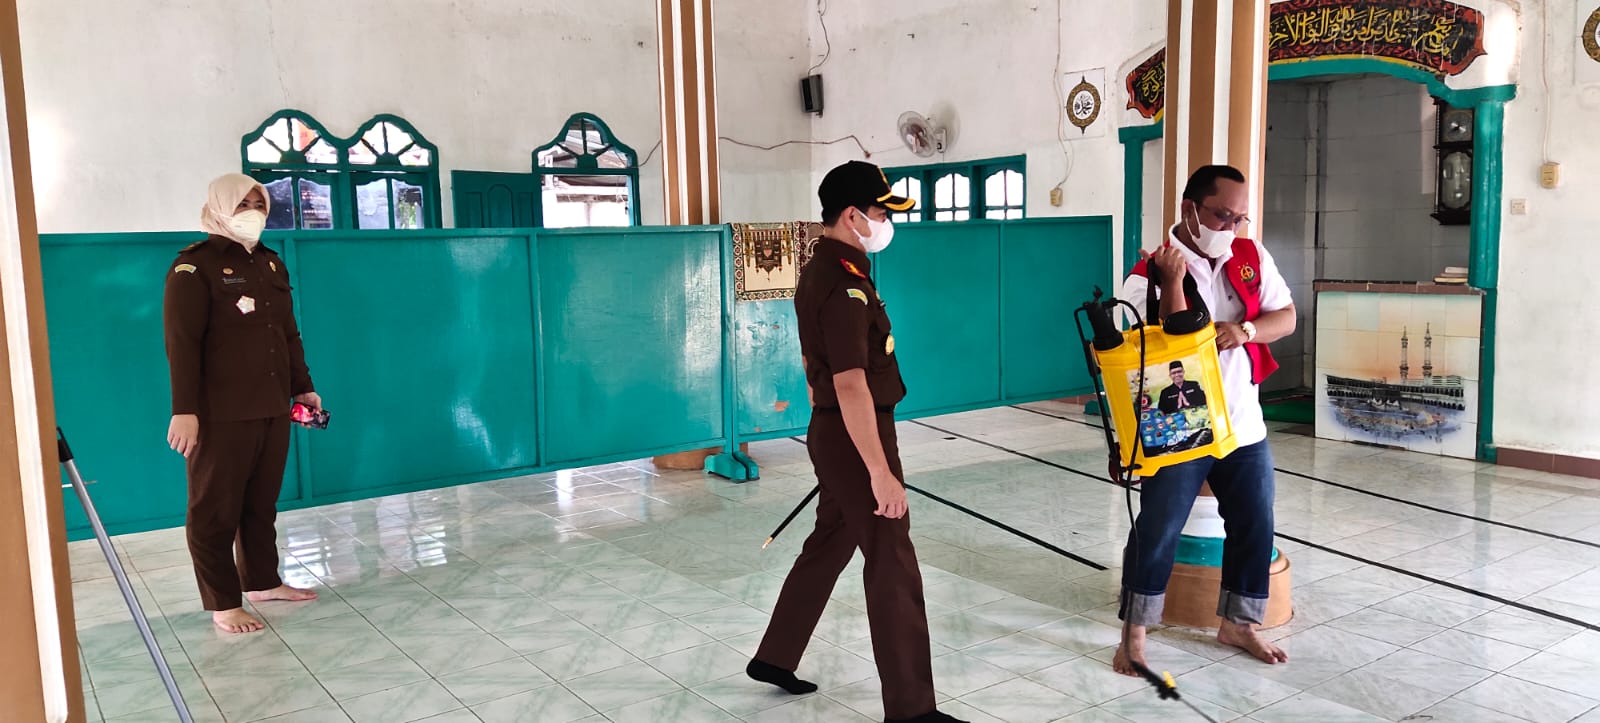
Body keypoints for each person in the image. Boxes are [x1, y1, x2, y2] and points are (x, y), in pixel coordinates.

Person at [746, 161, 965, 723]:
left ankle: (775, 656)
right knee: (891, 556)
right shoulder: (842, 282)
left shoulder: (830, 269)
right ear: (852, 215)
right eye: (881, 211)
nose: (885, 221)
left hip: (839, 430)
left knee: (831, 540)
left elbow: (814, 364)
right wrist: (880, 471)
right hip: (854, 433)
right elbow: (849, 382)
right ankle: (913, 711)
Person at [1114, 165, 1295, 673]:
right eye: (1223, 215)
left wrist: (1246, 331)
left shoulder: (1251, 256)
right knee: (1158, 526)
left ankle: (1239, 622)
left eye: (1240, 217)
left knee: (1255, 521)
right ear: (1189, 210)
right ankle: (1135, 633)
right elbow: (1161, 345)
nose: (1232, 227)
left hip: (1242, 421)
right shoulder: (1144, 275)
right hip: (1179, 427)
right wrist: (1172, 280)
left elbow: (1287, 317)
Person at [164, 174, 323, 633]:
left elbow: (286, 334)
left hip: (272, 406)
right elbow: (182, 343)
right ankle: (223, 603)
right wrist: (184, 410)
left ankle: (262, 581)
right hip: (219, 412)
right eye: (242, 204)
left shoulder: (271, 265)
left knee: (260, 503)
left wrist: (303, 388)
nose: (253, 211)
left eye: (259, 203)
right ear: (218, 207)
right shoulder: (193, 268)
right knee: (214, 509)